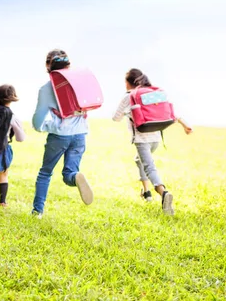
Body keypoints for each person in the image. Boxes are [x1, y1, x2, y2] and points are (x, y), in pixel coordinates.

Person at [112, 68, 193, 215]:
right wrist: (185, 125)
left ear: (129, 83)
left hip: (142, 139)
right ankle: (146, 193)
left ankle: (163, 193)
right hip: (156, 137)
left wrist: (126, 112)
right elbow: (172, 113)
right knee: (139, 160)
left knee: (149, 167)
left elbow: (115, 118)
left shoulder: (129, 96)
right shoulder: (153, 94)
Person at [31, 50, 93, 218]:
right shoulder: (78, 82)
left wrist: (42, 127)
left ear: (47, 66)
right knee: (68, 174)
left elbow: (38, 118)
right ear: (68, 64)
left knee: (45, 172)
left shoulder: (46, 88)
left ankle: (37, 211)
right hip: (80, 134)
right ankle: (76, 177)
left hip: (59, 135)